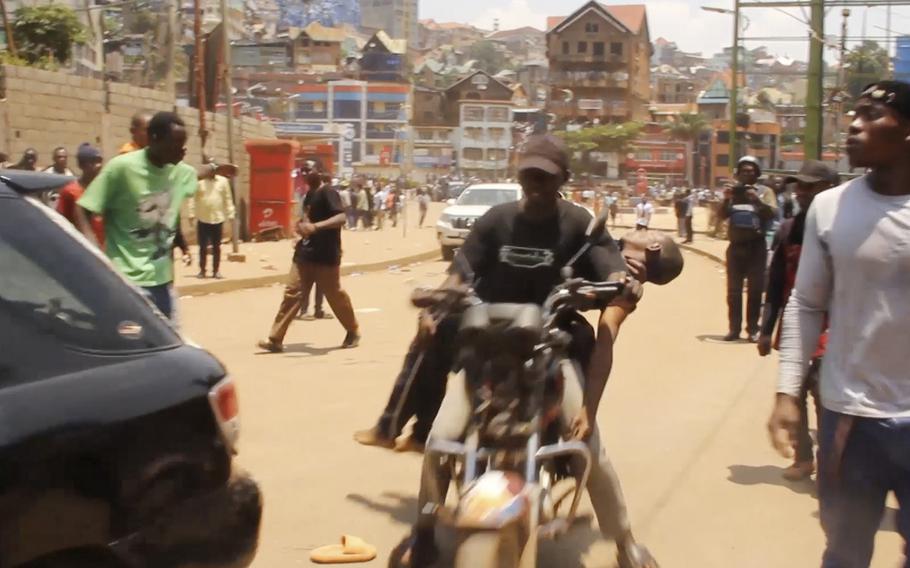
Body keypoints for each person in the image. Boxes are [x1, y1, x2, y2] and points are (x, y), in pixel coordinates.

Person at [394, 134, 658, 568]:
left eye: (544, 177)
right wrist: (442, 302)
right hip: (489, 349)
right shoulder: (495, 221)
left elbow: (610, 269)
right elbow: (460, 273)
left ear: (562, 181)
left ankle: (625, 540)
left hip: (553, 348)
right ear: (518, 176)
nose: (535, 185)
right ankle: (424, 532)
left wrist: (621, 282)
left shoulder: (579, 225)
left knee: (586, 443)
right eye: (528, 175)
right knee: (442, 439)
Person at [355, 224, 684, 456]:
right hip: (519, 318)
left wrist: (588, 410)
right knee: (438, 323)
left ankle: (393, 428)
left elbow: (606, 340)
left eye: (645, 230)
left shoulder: (622, 278)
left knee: (436, 329)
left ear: (652, 247)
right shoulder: (602, 247)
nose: (638, 229)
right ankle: (421, 433)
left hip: (529, 328)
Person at [767, 81, 910, 568]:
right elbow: (806, 303)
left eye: (871, 115)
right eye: (854, 114)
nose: (854, 124)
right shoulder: (829, 209)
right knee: (845, 552)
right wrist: (787, 391)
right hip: (850, 419)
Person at [757, 160, 839, 482]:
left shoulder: (844, 229)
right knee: (796, 391)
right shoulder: (789, 229)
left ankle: (832, 464)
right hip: (798, 321)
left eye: (809, 186)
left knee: (825, 396)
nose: (801, 192)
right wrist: (765, 329)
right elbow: (776, 281)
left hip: (836, 326)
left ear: (830, 189)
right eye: (798, 186)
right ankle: (804, 457)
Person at [75, 112, 197, 320]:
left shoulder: (180, 171)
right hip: (128, 280)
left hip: (163, 282)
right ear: (155, 139)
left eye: (184, 143)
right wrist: (94, 252)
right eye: (176, 143)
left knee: (169, 344)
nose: (182, 149)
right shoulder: (121, 167)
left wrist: (214, 168)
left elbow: (199, 172)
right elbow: (84, 208)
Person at [258, 170, 360, 351]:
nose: (306, 174)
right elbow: (306, 219)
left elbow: (341, 217)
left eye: (309, 170)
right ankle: (275, 339)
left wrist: (315, 227)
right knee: (292, 293)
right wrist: (300, 228)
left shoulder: (328, 192)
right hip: (305, 253)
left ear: (319, 173)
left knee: (334, 295)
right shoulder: (309, 196)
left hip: (326, 255)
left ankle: (352, 330)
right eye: (303, 171)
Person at [718, 157, 775, 342]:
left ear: (757, 173)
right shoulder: (733, 193)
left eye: (751, 171)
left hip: (756, 247)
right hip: (735, 248)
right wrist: (725, 200)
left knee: (755, 290)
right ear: (738, 173)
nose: (747, 174)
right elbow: (721, 215)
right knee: (733, 292)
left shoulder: (765, 192)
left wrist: (756, 200)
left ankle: (752, 329)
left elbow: (772, 213)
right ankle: (734, 329)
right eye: (744, 171)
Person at [187, 156, 236, 279]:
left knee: (216, 247)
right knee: (202, 247)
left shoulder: (223, 182)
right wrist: (191, 214)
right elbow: (192, 198)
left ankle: (216, 271)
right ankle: (202, 271)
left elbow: (228, 199)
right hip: (203, 219)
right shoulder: (199, 182)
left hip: (217, 219)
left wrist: (231, 214)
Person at [56, 143, 105, 244]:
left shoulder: (104, 189)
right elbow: (61, 224)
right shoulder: (70, 192)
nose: (99, 166)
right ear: (82, 165)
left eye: (100, 161)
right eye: (93, 162)